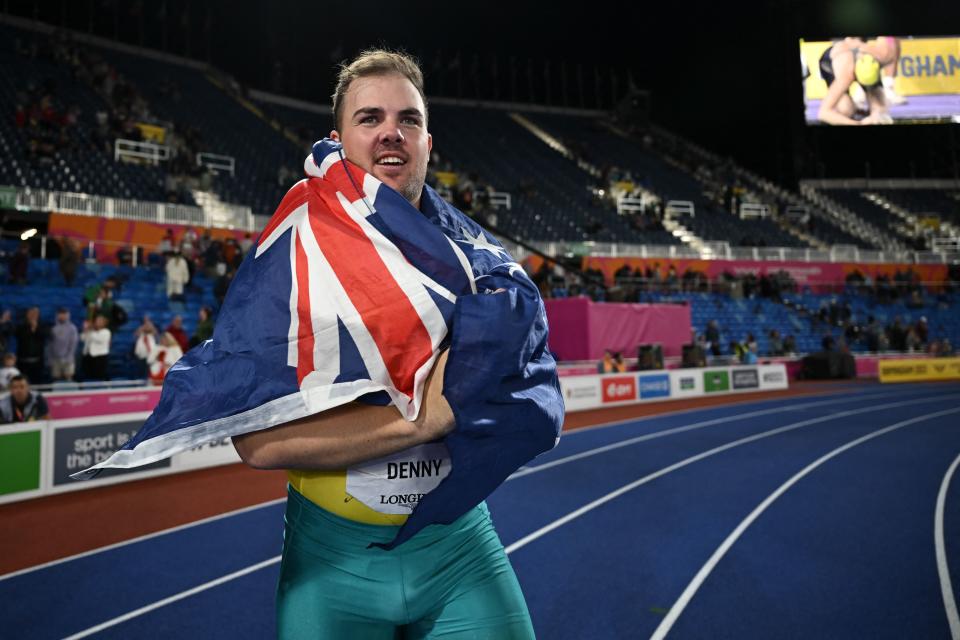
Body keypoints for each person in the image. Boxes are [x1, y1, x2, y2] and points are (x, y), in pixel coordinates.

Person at [232, 49, 543, 639]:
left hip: (457, 545)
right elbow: (255, 443)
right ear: (338, 140)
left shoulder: (478, 265)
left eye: (409, 119)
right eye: (369, 118)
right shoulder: (293, 258)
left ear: (429, 141)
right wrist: (420, 421)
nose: (391, 133)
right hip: (332, 563)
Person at [817, 37, 897, 125]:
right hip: (830, 62)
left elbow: (881, 113)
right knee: (846, 110)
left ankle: (858, 110)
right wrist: (858, 123)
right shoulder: (846, 75)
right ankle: (853, 108)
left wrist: (876, 115)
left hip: (862, 56)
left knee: (881, 112)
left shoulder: (875, 62)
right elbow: (823, 113)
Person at [15, 307, 47, 385]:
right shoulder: (21, 326)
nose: (33, 316)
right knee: (22, 382)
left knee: (37, 382)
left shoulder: (43, 325)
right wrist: (30, 328)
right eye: (31, 313)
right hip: (22, 362)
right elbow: (19, 336)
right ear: (27, 315)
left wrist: (35, 328)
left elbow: (44, 336)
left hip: (37, 362)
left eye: (35, 314)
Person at [49, 307, 78, 382]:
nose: (62, 316)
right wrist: (51, 358)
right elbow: (51, 344)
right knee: (56, 378)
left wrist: (68, 357)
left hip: (68, 359)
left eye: (64, 314)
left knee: (68, 378)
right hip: (56, 359)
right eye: (60, 314)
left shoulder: (72, 328)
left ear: (68, 315)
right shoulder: (53, 328)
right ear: (57, 315)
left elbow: (73, 344)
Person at [81, 315, 111, 381]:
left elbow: (98, 339)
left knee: (99, 376)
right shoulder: (91, 331)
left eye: (99, 321)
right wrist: (85, 330)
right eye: (96, 321)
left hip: (100, 358)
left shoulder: (106, 332)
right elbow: (82, 338)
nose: (97, 322)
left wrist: (89, 329)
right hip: (88, 356)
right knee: (88, 375)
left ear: (104, 323)